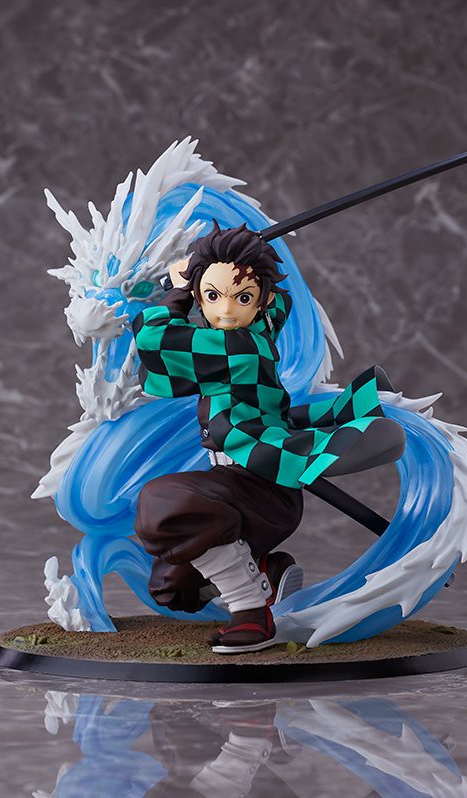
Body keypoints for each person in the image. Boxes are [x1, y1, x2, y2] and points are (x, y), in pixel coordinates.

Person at [132, 222, 402, 653]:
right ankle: (267, 571)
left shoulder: (236, 347)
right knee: (173, 590)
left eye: (242, 298)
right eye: (213, 296)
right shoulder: (260, 331)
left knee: (160, 504)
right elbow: (282, 305)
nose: (225, 311)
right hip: (237, 488)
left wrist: (178, 288)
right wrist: (228, 261)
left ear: (261, 301)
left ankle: (252, 616)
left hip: (258, 484)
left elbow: (153, 338)